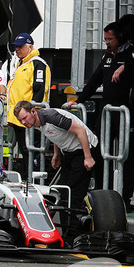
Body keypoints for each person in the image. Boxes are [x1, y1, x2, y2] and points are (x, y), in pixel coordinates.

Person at [64, 22, 134, 205]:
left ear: (120, 37)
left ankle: (125, 198)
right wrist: (79, 101)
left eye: (110, 39)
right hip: (106, 114)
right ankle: (102, 193)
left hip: (126, 114)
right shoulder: (107, 55)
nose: (107, 42)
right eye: (105, 39)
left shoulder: (131, 54)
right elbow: (94, 80)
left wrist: (125, 67)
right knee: (97, 151)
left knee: (126, 156)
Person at [13, 101, 100, 237]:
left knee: (74, 194)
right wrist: (57, 154)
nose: (24, 122)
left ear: (33, 111)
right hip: (68, 151)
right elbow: (55, 135)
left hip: (84, 149)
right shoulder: (36, 123)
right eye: (20, 120)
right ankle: (66, 232)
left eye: (25, 118)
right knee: (62, 192)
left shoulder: (51, 117)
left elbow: (80, 130)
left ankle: (74, 235)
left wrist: (87, 157)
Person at [6, 33, 50, 179]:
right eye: (16, 47)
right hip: (19, 117)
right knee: (24, 151)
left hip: (31, 118)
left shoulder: (37, 63)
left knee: (32, 151)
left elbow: (39, 90)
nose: (17, 49)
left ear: (30, 46)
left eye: (20, 46)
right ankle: (26, 179)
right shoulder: (21, 63)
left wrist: (31, 114)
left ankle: (34, 181)